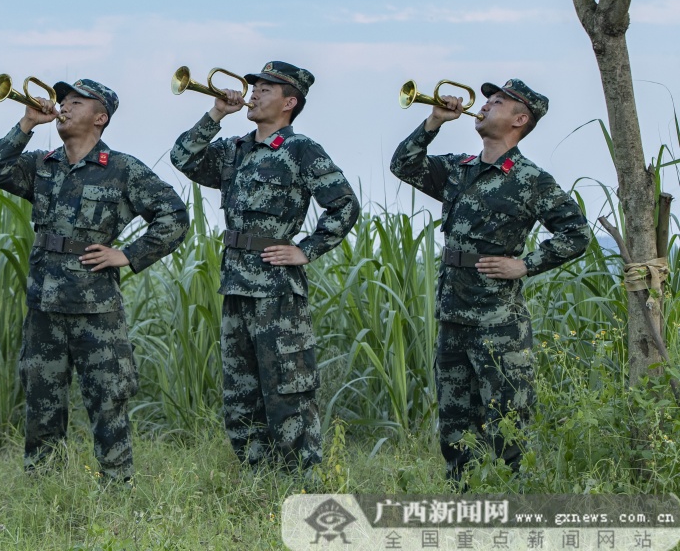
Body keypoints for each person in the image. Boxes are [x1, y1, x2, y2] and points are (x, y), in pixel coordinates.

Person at [0, 79, 188, 482]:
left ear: (100, 117)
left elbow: (175, 217)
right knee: (42, 402)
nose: (65, 107)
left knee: (108, 399)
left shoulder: (123, 168)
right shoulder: (43, 164)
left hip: (97, 308)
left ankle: (117, 491)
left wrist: (127, 255)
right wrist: (26, 123)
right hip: (44, 306)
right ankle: (44, 489)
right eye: (63, 101)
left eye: (76, 102)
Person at [390, 78, 590, 482]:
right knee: (454, 421)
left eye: (497, 102)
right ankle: (462, 498)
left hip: (499, 321)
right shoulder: (457, 169)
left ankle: (510, 501)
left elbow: (576, 233)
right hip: (453, 316)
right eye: (488, 100)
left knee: (507, 420)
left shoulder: (530, 178)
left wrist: (526, 264)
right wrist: (434, 120)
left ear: (519, 119)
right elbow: (403, 165)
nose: (484, 106)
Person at [171, 61, 359, 472]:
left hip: (276, 290)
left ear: (289, 102)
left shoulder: (300, 149)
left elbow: (344, 204)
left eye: (266, 89)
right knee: (240, 394)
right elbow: (183, 158)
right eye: (254, 86)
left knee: (287, 390)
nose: (254, 93)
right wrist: (216, 113)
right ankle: (258, 481)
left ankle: (301, 480)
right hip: (236, 285)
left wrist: (307, 248)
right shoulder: (234, 150)